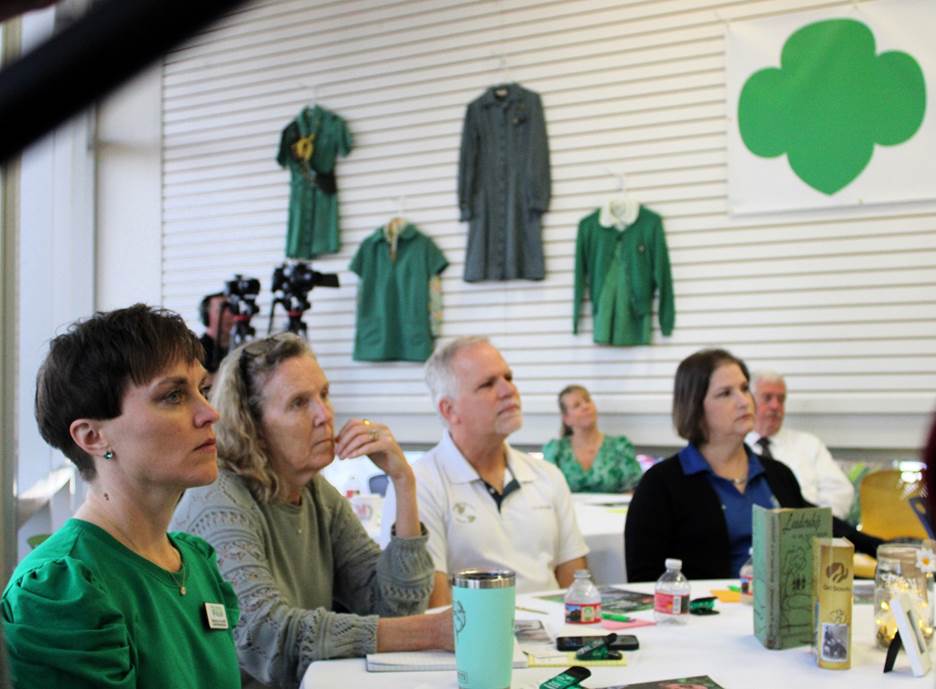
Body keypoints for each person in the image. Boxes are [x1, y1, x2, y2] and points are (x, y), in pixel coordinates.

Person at [171, 333, 449, 689]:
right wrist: (429, 631)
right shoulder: (218, 500)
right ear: (252, 426)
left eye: (324, 395)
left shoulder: (315, 492)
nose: (324, 415)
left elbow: (394, 607)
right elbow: (271, 639)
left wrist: (403, 482)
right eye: (299, 403)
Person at [1, 304, 240, 688]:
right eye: (174, 395)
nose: (210, 413)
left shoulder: (195, 560)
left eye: (203, 390)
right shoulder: (61, 590)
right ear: (93, 437)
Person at [624, 348, 882, 582]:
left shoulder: (777, 474)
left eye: (744, 388)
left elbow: (821, 524)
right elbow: (642, 580)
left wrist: (882, 549)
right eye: (725, 393)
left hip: (777, 612)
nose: (744, 401)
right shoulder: (661, 484)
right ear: (695, 406)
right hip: (702, 614)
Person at [381, 336, 589, 606]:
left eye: (508, 378)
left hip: (554, 631)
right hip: (470, 632)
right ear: (449, 410)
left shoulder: (548, 475)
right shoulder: (418, 485)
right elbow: (434, 609)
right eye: (488, 384)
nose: (508, 390)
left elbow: (576, 587)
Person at [745, 370, 855, 519]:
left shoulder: (809, 444)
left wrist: (814, 523)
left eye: (781, 399)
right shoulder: (737, 448)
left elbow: (840, 492)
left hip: (807, 527)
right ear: (749, 401)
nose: (775, 406)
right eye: (767, 398)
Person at [542, 384, 642, 493]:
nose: (585, 406)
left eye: (587, 400)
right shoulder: (556, 450)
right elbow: (547, 491)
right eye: (577, 405)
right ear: (566, 418)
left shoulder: (620, 447)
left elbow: (635, 490)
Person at [199, 291, 234, 376]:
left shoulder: (237, 344)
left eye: (230, 309)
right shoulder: (197, 350)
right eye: (221, 311)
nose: (228, 315)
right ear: (206, 317)